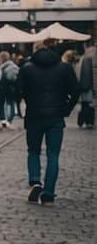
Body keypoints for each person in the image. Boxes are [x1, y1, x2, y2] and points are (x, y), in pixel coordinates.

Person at [19, 38, 80, 206]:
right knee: (53, 155)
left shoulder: (27, 68)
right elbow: (76, 90)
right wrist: (66, 109)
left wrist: (30, 101)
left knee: (33, 151)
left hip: (34, 115)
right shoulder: (64, 68)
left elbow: (20, 90)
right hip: (55, 116)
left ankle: (35, 181)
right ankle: (48, 195)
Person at [0, 51, 20, 129]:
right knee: (11, 102)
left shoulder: (2, 67)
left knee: (1, 103)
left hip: (2, 87)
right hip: (12, 87)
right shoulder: (14, 66)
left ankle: (3, 119)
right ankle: (10, 119)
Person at [76, 41, 94, 129]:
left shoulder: (84, 58)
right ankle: (87, 121)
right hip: (87, 86)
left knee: (86, 104)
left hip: (85, 85)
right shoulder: (87, 59)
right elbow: (87, 73)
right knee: (87, 104)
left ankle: (83, 121)